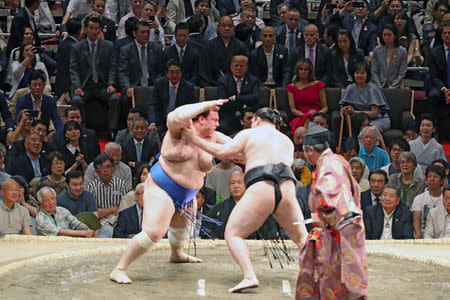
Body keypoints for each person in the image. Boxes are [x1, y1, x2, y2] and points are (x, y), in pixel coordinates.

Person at [182, 107, 308, 292]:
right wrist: (217, 137)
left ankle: (249, 276)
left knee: (233, 234)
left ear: (256, 120)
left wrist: (194, 139)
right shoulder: (286, 140)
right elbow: (243, 154)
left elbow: (224, 153)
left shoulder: (250, 133)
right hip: (288, 189)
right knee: (302, 237)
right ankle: (322, 273)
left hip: (262, 186)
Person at [110, 100, 231, 284]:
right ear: (199, 118)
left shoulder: (213, 137)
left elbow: (236, 147)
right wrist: (207, 104)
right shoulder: (179, 129)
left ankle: (177, 254)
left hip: (188, 193)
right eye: (213, 119)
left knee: (182, 230)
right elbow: (175, 115)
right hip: (162, 187)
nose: (216, 124)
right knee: (155, 233)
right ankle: (120, 268)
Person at [296, 124, 367, 299]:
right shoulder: (338, 160)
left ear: (310, 150)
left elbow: (333, 202)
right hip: (343, 228)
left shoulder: (328, 166)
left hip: (338, 231)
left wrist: (321, 219)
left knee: (334, 280)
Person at [70, 15, 120, 140]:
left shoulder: (109, 46)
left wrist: (111, 84)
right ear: (86, 29)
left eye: (96, 28)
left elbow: (113, 68)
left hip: (102, 85)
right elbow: (73, 69)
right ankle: (82, 128)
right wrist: (77, 86)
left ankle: (111, 130)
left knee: (115, 98)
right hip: (85, 86)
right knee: (77, 100)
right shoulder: (77, 47)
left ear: (100, 30)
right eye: (91, 28)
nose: (93, 31)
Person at [204, 170, 279, 239]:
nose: (236, 186)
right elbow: (206, 229)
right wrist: (214, 239)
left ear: (246, 184)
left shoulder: (259, 207)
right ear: (228, 186)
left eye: (239, 182)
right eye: (232, 183)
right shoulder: (219, 208)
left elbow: (270, 232)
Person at [147, 60, 195, 138]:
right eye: (171, 72)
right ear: (166, 73)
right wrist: (152, 123)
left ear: (181, 73)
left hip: (179, 123)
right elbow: (153, 105)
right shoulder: (159, 84)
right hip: (161, 122)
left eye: (177, 72)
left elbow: (190, 109)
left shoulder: (188, 87)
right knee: (152, 135)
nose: (174, 75)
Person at [340, 61, 391, 133]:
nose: (359, 75)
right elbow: (345, 106)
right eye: (357, 73)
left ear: (367, 75)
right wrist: (347, 109)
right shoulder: (350, 88)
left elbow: (374, 113)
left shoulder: (373, 89)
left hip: (378, 119)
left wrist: (354, 112)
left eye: (363, 73)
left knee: (369, 131)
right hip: (360, 120)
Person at [216, 55, 260, 135]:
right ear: (231, 67)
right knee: (222, 127)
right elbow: (223, 101)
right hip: (230, 113)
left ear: (246, 68)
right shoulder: (223, 81)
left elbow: (255, 98)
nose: (238, 68)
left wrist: (235, 98)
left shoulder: (253, 80)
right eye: (236, 66)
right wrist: (242, 106)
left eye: (241, 66)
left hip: (248, 113)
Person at [87, 154, 129, 237]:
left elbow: (124, 210)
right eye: (102, 168)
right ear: (96, 171)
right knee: (107, 232)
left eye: (108, 167)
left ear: (113, 169)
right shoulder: (92, 186)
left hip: (119, 220)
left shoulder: (121, 184)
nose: (105, 170)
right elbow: (94, 213)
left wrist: (104, 211)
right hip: (101, 222)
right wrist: (113, 209)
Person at [287, 59, 327, 134]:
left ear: (310, 71)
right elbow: (292, 109)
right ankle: (309, 140)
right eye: (301, 69)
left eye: (306, 69)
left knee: (314, 120)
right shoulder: (291, 87)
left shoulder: (318, 84)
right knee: (307, 118)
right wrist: (305, 115)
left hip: (317, 116)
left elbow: (325, 107)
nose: (303, 72)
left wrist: (316, 114)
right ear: (297, 71)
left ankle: (305, 141)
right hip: (300, 116)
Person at [428, 22, 450, 141]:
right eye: (445, 33)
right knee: (433, 95)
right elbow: (433, 76)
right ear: (441, 35)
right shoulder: (435, 52)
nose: (447, 35)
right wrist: (444, 89)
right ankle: (434, 130)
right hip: (440, 87)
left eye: (449, 33)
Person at [410, 165, 446, 238]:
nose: (432, 179)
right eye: (429, 176)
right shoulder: (419, 198)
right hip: (424, 234)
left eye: (435, 176)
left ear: (442, 180)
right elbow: (416, 220)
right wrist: (418, 235)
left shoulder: (447, 198)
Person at [371, 24, 407, 89]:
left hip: (397, 87)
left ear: (395, 36)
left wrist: (391, 88)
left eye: (389, 35)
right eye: (384, 35)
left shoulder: (402, 51)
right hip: (380, 85)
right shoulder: (377, 50)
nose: (386, 37)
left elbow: (402, 73)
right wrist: (379, 87)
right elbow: (374, 71)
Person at [55, 19, 82, 99]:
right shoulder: (76, 47)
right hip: (70, 88)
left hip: (60, 84)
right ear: (79, 31)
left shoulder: (61, 43)